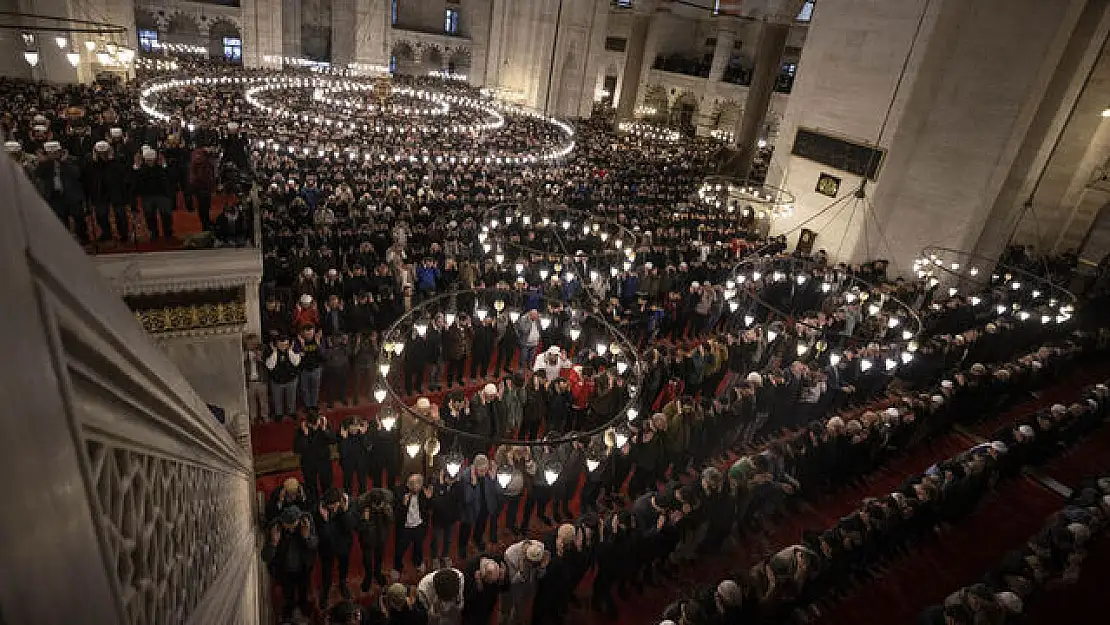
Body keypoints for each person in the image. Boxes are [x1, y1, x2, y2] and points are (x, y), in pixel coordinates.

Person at [262, 505, 318, 622]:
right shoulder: (275, 527)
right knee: (288, 595)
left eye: (293, 527)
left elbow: (314, 544)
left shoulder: (306, 522)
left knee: (303, 593)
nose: (291, 530)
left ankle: (303, 608)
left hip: (303, 568)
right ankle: (288, 612)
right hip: (284, 570)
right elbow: (265, 556)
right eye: (288, 528)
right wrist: (273, 543)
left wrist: (306, 537)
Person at [316, 488, 357, 608]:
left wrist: (344, 512)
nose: (333, 508)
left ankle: (343, 583)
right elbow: (323, 535)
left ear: (340, 501)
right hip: (327, 547)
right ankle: (326, 589)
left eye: (335, 505)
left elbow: (351, 526)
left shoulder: (350, 505)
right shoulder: (319, 510)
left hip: (343, 546)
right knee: (326, 570)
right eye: (330, 506)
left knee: (343, 566)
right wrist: (325, 521)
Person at [459, 454, 502, 558]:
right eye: (481, 471)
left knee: (481, 525)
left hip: (484, 506)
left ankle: (477, 539)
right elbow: (467, 499)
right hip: (470, 508)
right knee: (466, 529)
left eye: (485, 470)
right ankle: (462, 547)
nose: (483, 473)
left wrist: (493, 478)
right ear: (475, 468)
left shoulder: (489, 473)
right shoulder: (466, 476)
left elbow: (498, 491)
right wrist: (473, 484)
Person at [501, 539, 549, 625]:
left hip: (528, 586)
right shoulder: (510, 555)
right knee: (506, 608)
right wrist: (522, 572)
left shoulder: (540, 549)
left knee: (519, 608)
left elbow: (539, 576)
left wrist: (542, 568)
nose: (533, 566)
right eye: (531, 563)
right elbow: (511, 582)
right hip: (511, 586)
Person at [395, 473, 432, 579]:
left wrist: (429, 499)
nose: (417, 489)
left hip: (418, 526)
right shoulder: (400, 493)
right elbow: (396, 515)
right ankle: (397, 567)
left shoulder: (423, 493)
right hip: (405, 527)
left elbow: (428, 510)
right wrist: (403, 504)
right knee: (400, 549)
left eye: (418, 486)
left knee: (418, 547)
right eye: (414, 486)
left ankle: (417, 562)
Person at [357, 486, 394, 592]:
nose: (377, 508)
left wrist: (387, 511)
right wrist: (365, 520)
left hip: (381, 536)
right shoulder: (362, 504)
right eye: (375, 506)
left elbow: (391, 521)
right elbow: (358, 527)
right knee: (367, 559)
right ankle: (368, 576)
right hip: (367, 538)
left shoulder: (386, 502)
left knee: (379, 557)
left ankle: (377, 573)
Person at [294, 413, 336, 502]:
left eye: (316, 424)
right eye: (312, 425)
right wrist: (305, 435)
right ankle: (314, 504)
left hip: (324, 461)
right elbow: (297, 449)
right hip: (308, 463)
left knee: (327, 485)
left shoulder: (324, 425)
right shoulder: (300, 430)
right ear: (307, 423)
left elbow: (333, 440)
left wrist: (324, 429)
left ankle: (328, 502)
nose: (314, 427)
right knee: (311, 487)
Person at [429, 467, 462, 569]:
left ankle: (445, 555)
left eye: (454, 479)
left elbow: (458, 500)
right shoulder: (437, 486)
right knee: (436, 539)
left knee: (448, 540)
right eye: (449, 479)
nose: (451, 481)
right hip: (438, 519)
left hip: (451, 519)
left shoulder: (458, 486)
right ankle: (434, 557)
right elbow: (436, 503)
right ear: (444, 477)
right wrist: (442, 486)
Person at [266, 334, 302, 421]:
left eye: (285, 344)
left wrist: (290, 351)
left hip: (291, 379)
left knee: (291, 398)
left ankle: (291, 412)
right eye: (281, 344)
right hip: (276, 380)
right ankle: (279, 414)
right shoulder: (270, 351)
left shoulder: (293, 349)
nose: (283, 346)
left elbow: (296, 363)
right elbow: (270, 366)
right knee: (277, 399)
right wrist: (274, 352)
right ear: (276, 344)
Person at [462, 555, 506, 625]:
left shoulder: (496, 565)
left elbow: (500, 590)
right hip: (472, 610)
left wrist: (501, 580)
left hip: (487, 609)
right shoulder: (470, 569)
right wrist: (478, 584)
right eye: (488, 581)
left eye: (493, 581)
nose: (490, 583)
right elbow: (468, 597)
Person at [339, 416, 373, 495]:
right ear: (348, 426)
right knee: (347, 483)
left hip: (361, 462)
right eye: (352, 426)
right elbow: (343, 453)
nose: (354, 428)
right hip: (348, 463)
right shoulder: (343, 435)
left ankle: (362, 498)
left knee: (362, 483)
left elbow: (369, 448)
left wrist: (364, 435)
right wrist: (344, 439)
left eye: (356, 425)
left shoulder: (362, 434)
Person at [245, 334, 270, 423]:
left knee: (263, 402)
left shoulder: (262, 351)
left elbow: (269, 365)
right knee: (252, 403)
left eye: (254, 343)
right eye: (250, 343)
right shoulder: (244, 354)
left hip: (261, 381)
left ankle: (265, 417)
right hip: (250, 382)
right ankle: (253, 418)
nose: (253, 345)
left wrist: (261, 359)